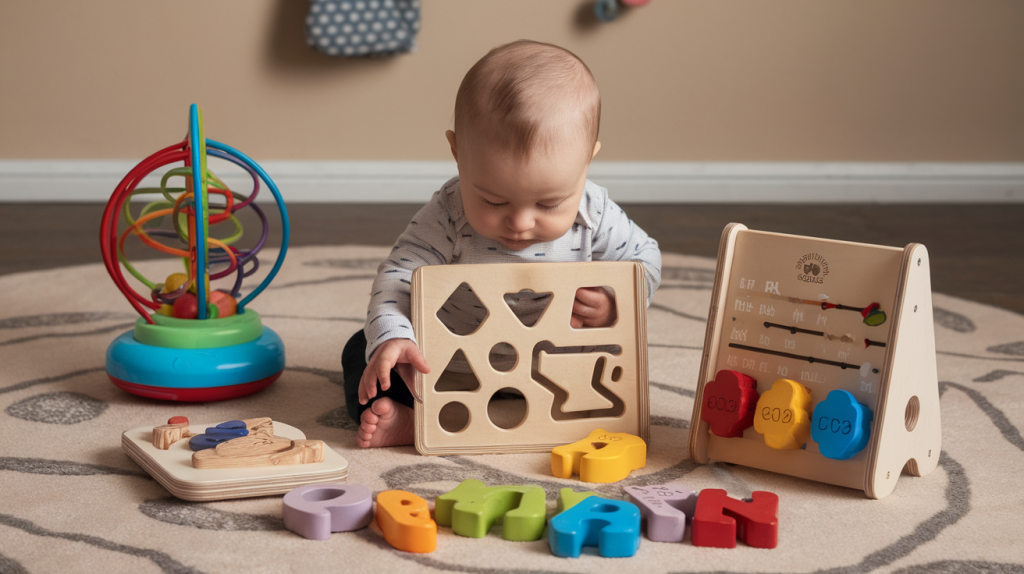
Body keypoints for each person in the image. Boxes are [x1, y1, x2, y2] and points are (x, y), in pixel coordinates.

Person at [342, 39, 662, 447]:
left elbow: (644, 259)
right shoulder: (448, 213)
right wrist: (395, 339)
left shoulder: (594, 212)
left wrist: (614, 301)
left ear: (588, 161)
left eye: (549, 203)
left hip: (557, 366)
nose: (520, 222)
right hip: (455, 369)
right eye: (493, 200)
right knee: (365, 350)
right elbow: (398, 278)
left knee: (619, 368)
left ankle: (578, 417)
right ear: (458, 153)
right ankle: (411, 419)